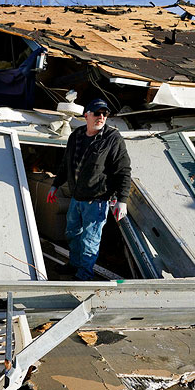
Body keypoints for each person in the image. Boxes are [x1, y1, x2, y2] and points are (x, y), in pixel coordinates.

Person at [46, 98, 131, 280]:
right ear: (87, 115)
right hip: (76, 198)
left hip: (97, 200)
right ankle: (74, 265)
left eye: (105, 114)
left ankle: (84, 275)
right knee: (72, 234)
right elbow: (66, 164)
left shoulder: (112, 139)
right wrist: (55, 185)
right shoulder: (76, 136)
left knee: (90, 240)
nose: (101, 117)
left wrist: (122, 201)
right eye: (97, 113)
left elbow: (123, 171)